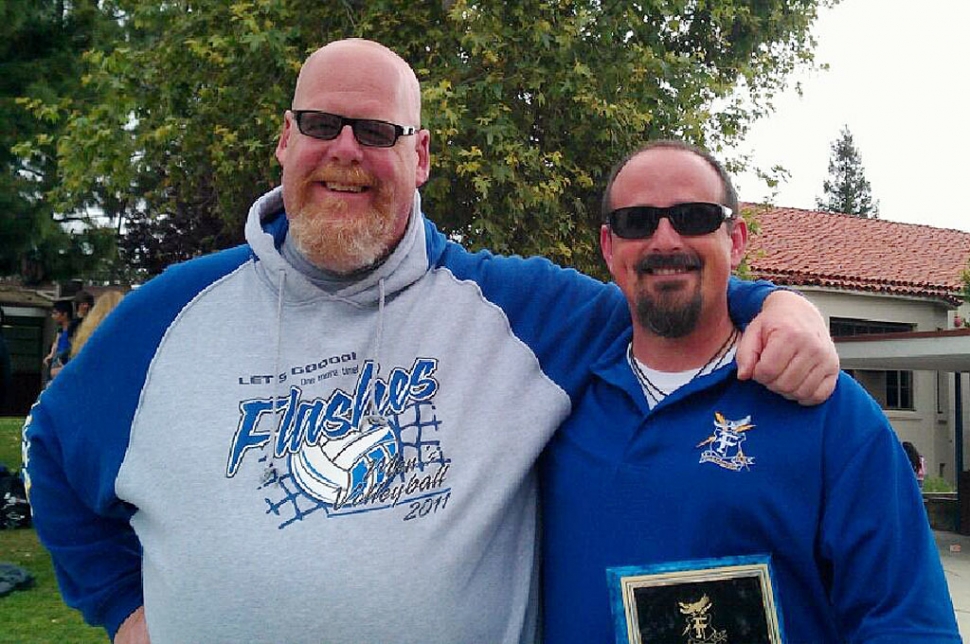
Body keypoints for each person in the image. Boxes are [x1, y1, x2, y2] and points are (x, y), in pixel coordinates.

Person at [23, 40, 838, 644]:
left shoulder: (520, 311)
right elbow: (49, 445)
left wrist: (781, 306)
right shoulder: (169, 316)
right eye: (321, 123)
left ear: (419, 157)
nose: (346, 149)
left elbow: (666, 297)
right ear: (285, 140)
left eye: (376, 130)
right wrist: (121, 608)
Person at [540, 140, 960, 642]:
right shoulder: (554, 403)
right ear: (610, 247)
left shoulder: (832, 413)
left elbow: (906, 624)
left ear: (735, 240)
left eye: (694, 217)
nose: (665, 240)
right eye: (638, 221)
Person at [69, 291, 125, 359]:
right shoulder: (75, 324)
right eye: (83, 304)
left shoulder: (88, 330)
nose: (86, 306)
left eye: (88, 303)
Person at [42, 300, 74, 380]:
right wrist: (51, 355)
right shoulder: (60, 331)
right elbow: (55, 345)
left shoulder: (73, 332)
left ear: (64, 314)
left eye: (56, 313)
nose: (53, 316)